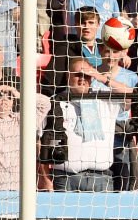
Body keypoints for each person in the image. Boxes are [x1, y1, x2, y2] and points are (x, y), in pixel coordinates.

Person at [51, 57, 125, 192]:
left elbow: (131, 94)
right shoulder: (55, 103)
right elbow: (40, 142)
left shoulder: (105, 100)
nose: (82, 79)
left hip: (101, 178)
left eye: (87, 75)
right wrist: (44, 178)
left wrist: (101, 78)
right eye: (78, 74)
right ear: (68, 76)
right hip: (65, 178)